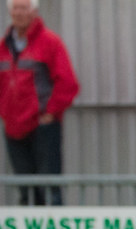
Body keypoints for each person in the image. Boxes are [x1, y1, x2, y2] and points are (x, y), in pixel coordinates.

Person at [0, 0, 78, 206]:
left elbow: (68, 83)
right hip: (14, 129)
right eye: (15, 8)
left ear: (34, 11)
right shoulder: (3, 46)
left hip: (43, 127)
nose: (19, 13)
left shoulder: (50, 42)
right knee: (25, 190)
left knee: (49, 188)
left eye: (24, 8)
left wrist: (50, 113)